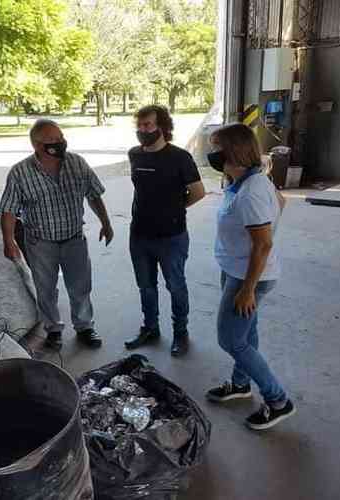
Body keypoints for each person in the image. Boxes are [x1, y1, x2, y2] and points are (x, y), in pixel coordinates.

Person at [204, 123, 295, 431]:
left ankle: (278, 401)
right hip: (236, 269)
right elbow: (281, 202)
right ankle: (241, 384)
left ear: (234, 151)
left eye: (216, 148)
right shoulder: (246, 181)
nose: (212, 153)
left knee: (230, 339)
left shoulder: (251, 192)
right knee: (246, 334)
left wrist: (247, 290)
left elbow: (263, 244)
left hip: (248, 278)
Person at [0, 119, 114, 350]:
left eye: (61, 137)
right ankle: (53, 330)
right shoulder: (20, 172)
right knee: (46, 289)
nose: (60, 143)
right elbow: (9, 209)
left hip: (74, 238)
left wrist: (105, 221)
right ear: (37, 145)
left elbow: (93, 194)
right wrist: (8, 241)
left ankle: (84, 327)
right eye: (53, 140)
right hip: (40, 242)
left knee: (80, 285)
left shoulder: (77, 163)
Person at [124, 105, 206, 357]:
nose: (142, 130)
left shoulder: (179, 157)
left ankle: (180, 332)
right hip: (139, 234)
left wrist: (173, 209)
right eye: (139, 125)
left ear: (162, 127)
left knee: (176, 286)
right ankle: (150, 328)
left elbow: (198, 192)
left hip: (171, 237)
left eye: (148, 125)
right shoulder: (134, 154)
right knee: (146, 286)